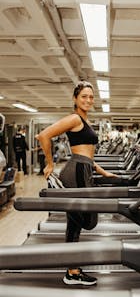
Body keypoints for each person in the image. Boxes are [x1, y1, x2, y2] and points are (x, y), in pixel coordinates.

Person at [36, 81, 117, 286]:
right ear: (75, 99)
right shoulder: (74, 118)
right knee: (86, 220)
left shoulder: (85, 120)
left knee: (76, 221)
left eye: (91, 97)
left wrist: (101, 170)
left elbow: (87, 152)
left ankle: (72, 270)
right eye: (84, 96)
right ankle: (71, 269)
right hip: (77, 170)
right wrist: (49, 163)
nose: (88, 100)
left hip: (85, 168)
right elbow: (43, 135)